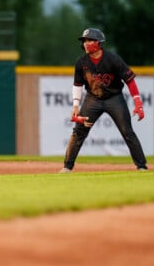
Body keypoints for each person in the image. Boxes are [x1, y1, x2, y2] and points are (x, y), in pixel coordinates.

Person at [60, 28, 148, 173]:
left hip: (114, 98)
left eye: (89, 40)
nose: (86, 43)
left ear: (99, 43)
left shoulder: (112, 59)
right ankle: (67, 167)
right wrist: (75, 105)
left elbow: (130, 80)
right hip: (92, 99)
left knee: (127, 131)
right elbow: (78, 85)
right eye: (84, 41)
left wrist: (137, 102)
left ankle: (141, 166)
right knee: (79, 131)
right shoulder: (81, 62)